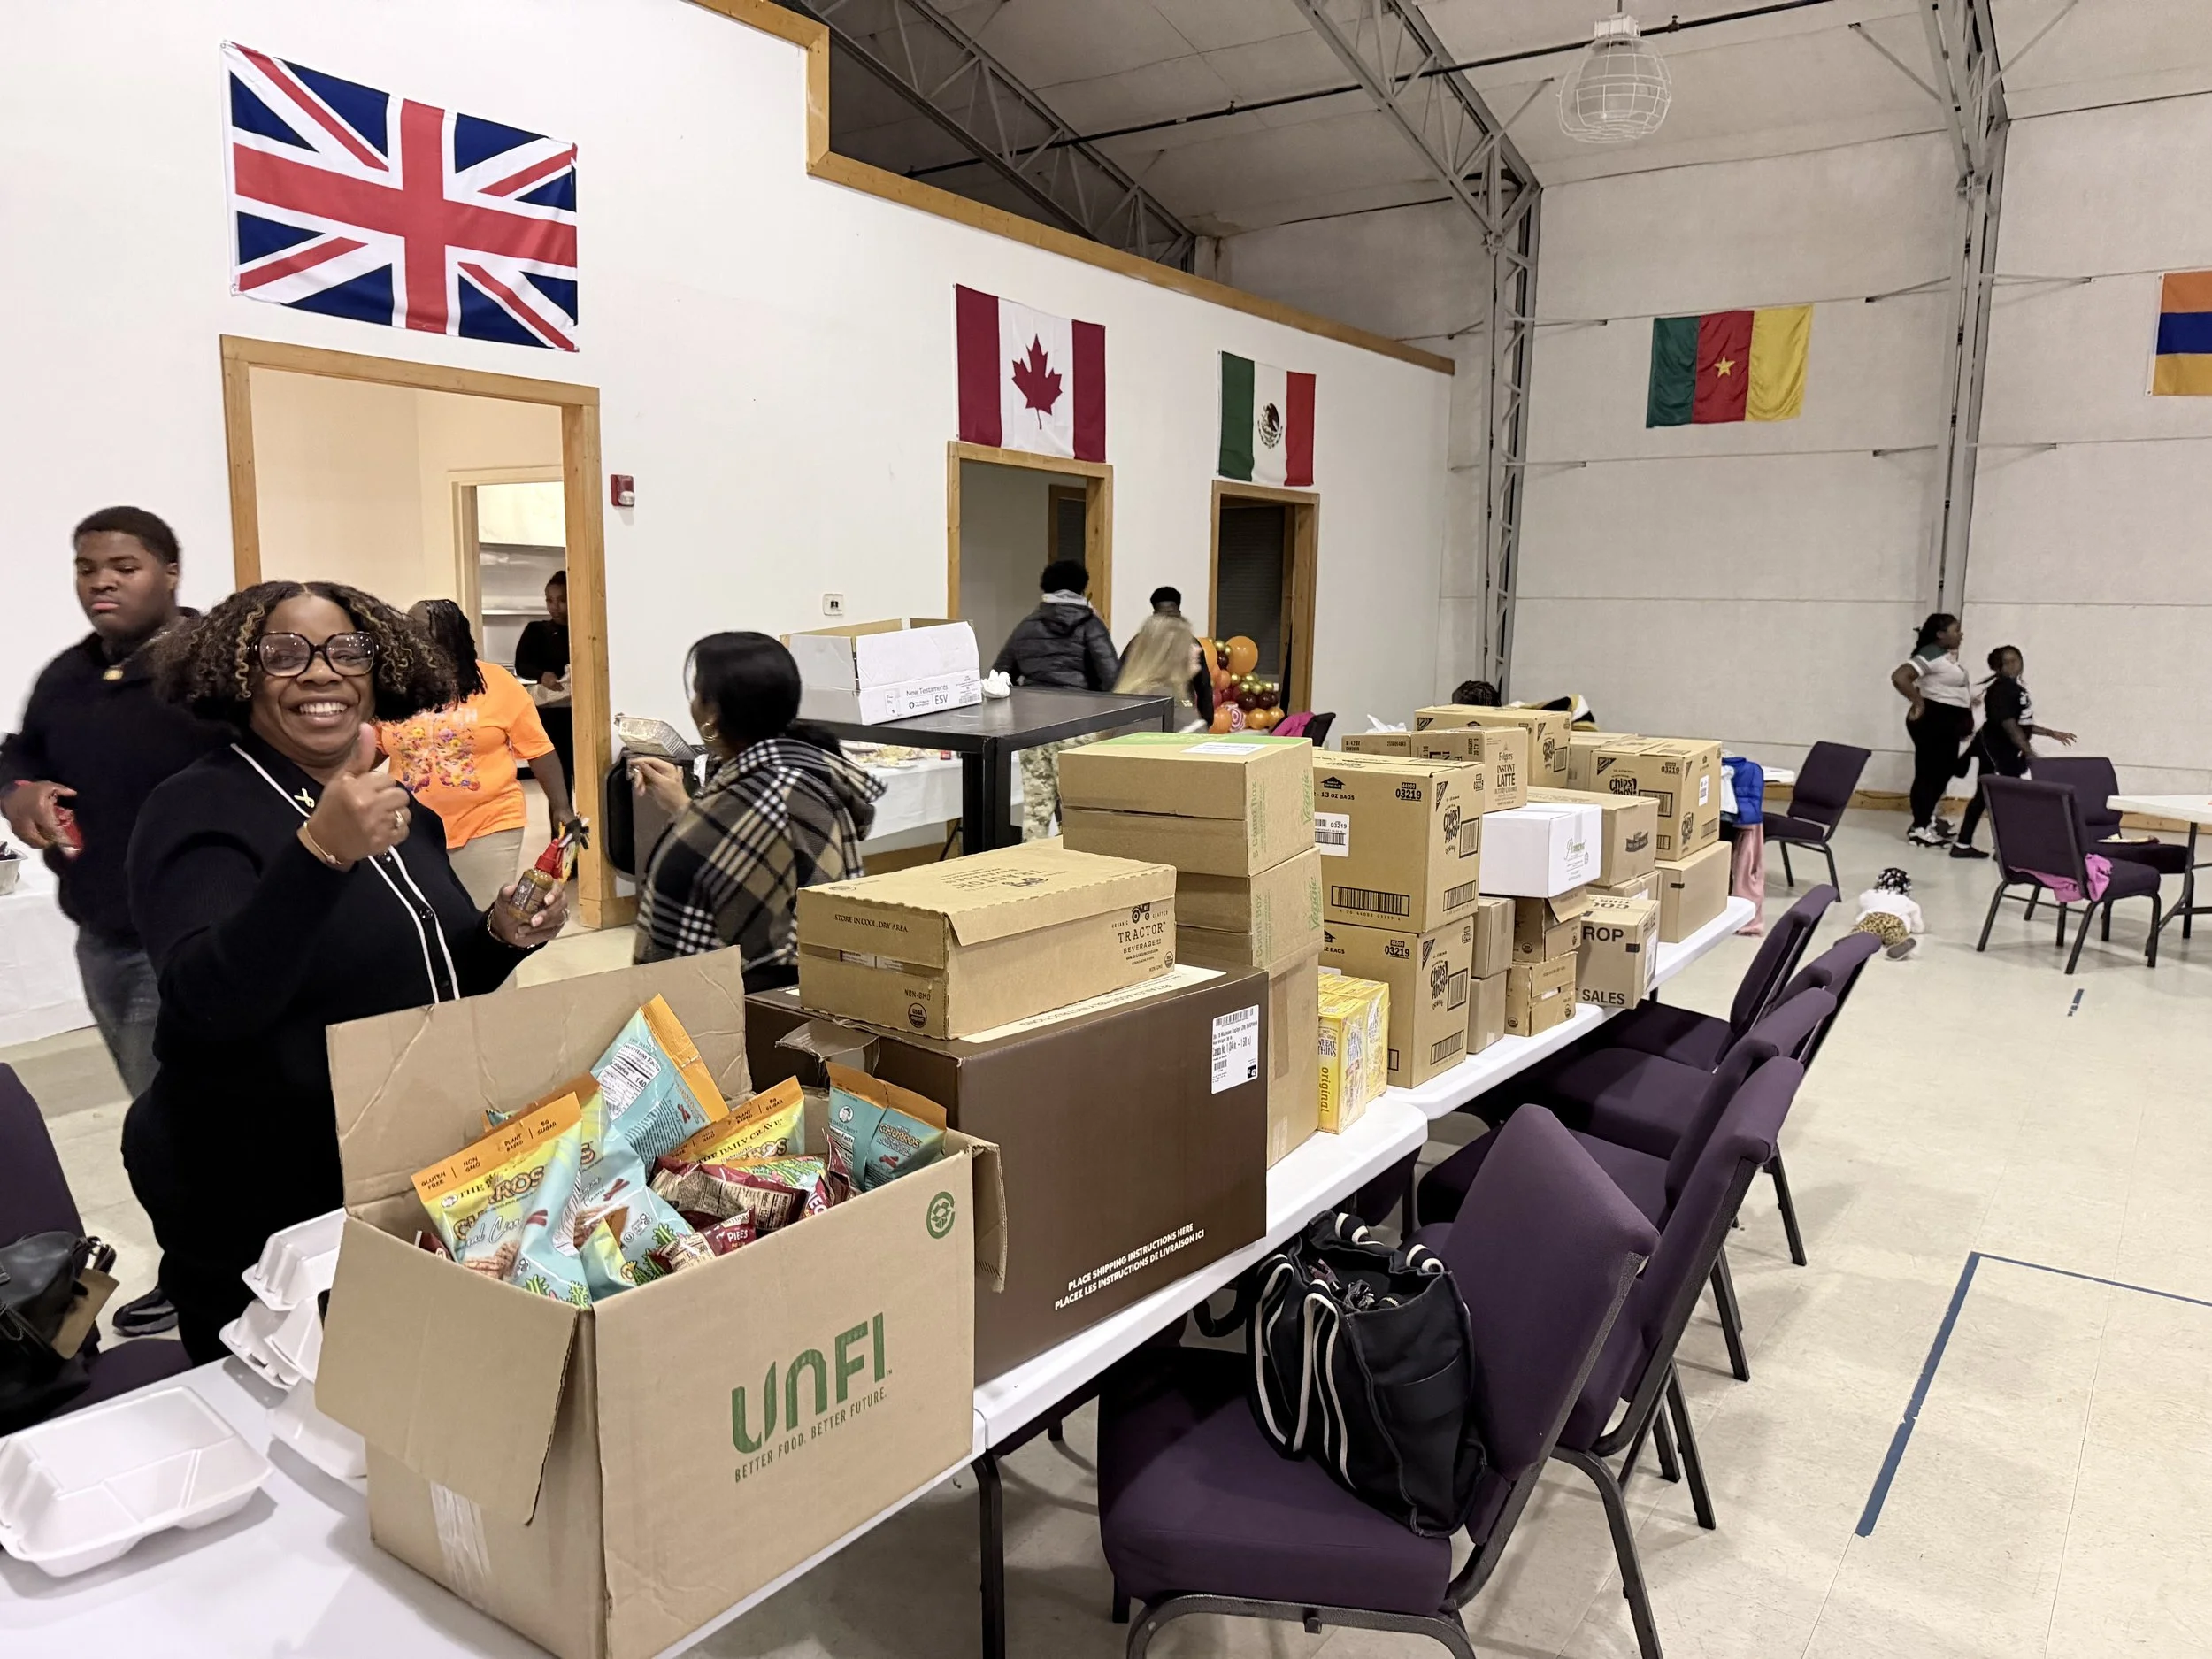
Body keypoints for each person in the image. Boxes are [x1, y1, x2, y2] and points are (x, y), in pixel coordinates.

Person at [127, 582, 566, 1362]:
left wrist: (500, 937)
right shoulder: (195, 807)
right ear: (240, 673)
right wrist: (320, 853)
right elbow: (204, 1005)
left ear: (379, 669)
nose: (321, 671)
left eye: (345, 650)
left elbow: (427, 982)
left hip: (384, 1166)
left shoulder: (399, 808)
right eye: (284, 653)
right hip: (255, 1192)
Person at [1, 507, 225, 1338]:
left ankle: (243, 1269)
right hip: (111, 939)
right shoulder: (69, 676)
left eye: (124, 566)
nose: (101, 582)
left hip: (208, 938)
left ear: (170, 572)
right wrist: (18, 789)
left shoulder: (212, 669)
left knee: (223, 1115)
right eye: (87, 567)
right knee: (163, 1123)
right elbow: (22, 748)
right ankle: (197, 1264)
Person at [629, 632, 881, 993]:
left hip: (742, 1001)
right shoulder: (798, 774)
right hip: (800, 990)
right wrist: (684, 806)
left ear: (712, 714)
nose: (692, 703)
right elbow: (742, 849)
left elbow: (711, 866)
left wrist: (693, 816)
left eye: (697, 693)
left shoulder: (762, 799)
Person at [382, 600, 580, 907]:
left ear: (450, 634)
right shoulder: (395, 687)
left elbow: (539, 749)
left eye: (420, 629)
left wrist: (561, 807)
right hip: (409, 826)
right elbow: (367, 749)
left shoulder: (496, 683)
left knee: (479, 914)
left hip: (488, 823)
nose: (410, 635)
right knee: (422, 912)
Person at [993, 559, 1119, 839]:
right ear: (1081, 587)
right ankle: (1078, 862)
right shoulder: (1091, 625)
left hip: (1032, 726)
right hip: (1078, 724)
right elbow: (1112, 678)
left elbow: (1000, 674)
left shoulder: (1027, 626)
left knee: (1036, 810)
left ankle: (1030, 862)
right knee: (1079, 808)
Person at [1951, 645, 2074, 860]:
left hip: (2003, 750)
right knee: (2002, 798)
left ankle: (1967, 844)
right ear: (1998, 667)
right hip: (1996, 751)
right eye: (2007, 662)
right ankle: (2002, 849)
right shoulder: (2002, 691)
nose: (2014, 665)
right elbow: (2009, 726)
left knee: (1986, 796)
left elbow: (2022, 723)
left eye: (2016, 660)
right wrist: (2029, 752)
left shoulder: (2015, 689)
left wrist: (2050, 733)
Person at [1891, 613, 1974, 847]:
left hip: (1947, 721)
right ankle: (1919, 828)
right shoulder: (1930, 653)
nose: (1961, 634)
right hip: (1934, 721)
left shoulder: (1945, 656)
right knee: (1930, 773)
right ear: (1940, 634)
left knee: (1942, 772)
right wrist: (1918, 702)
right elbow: (1900, 677)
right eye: (1956, 630)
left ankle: (1927, 819)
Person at [514, 570, 573, 786]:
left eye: (562, 600)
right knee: (558, 778)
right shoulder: (537, 631)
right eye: (549, 600)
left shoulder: (586, 633)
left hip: (580, 713)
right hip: (550, 712)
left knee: (586, 774)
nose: (554, 607)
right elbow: (522, 665)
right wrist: (541, 674)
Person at [1114, 613, 1209, 732]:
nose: (1198, 649)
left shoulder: (1125, 701)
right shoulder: (1175, 712)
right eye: (1189, 644)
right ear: (1171, 655)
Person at [1850, 866, 1926, 960]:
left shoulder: (1869, 894)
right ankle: (1899, 944)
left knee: (1863, 933)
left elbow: (1861, 905)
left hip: (1873, 917)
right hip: (1894, 920)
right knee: (1896, 935)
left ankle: (1853, 942)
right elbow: (1918, 927)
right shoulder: (1907, 901)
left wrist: (1859, 920)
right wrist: (1915, 928)